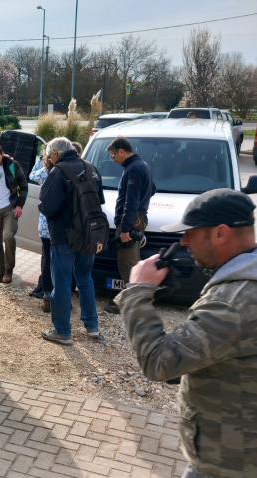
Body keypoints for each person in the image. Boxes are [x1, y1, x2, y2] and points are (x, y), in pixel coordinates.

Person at [116, 189, 257, 478]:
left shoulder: (233, 302)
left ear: (220, 233)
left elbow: (159, 362)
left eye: (190, 233)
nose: (183, 241)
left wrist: (137, 291)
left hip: (228, 464)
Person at [38, 137, 104, 345]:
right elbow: (99, 200)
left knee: (62, 282)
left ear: (55, 153)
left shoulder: (58, 172)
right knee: (85, 278)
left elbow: (48, 206)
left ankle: (62, 331)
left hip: (64, 236)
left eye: (49, 156)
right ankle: (92, 326)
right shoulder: (91, 167)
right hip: (89, 234)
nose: (48, 159)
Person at [104, 136, 155, 314]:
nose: (113, 160)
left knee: (127, 265)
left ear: (121, 151)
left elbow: (130, 202)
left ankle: (133, 304)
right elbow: (152, 189)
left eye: (113, 156)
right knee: (133, 261)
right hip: (139, 220)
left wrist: (125, 229)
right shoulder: (143, 165)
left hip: (132, 223)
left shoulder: (133, 169)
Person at [0, 143, 28, 284]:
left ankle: (9, 270)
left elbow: (24, 185)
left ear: (2, 154)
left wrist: (19, 205)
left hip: (10, 207)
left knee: (8, 236)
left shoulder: (13, 165)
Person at [28, 156, 53, 312]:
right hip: (60, 225)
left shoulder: (45, 172)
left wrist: (39, 159)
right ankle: (53, 294)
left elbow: (32, 175)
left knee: (46, 259)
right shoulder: (65, 172)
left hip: (45, 224)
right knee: (58, 260)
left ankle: (46, 294)